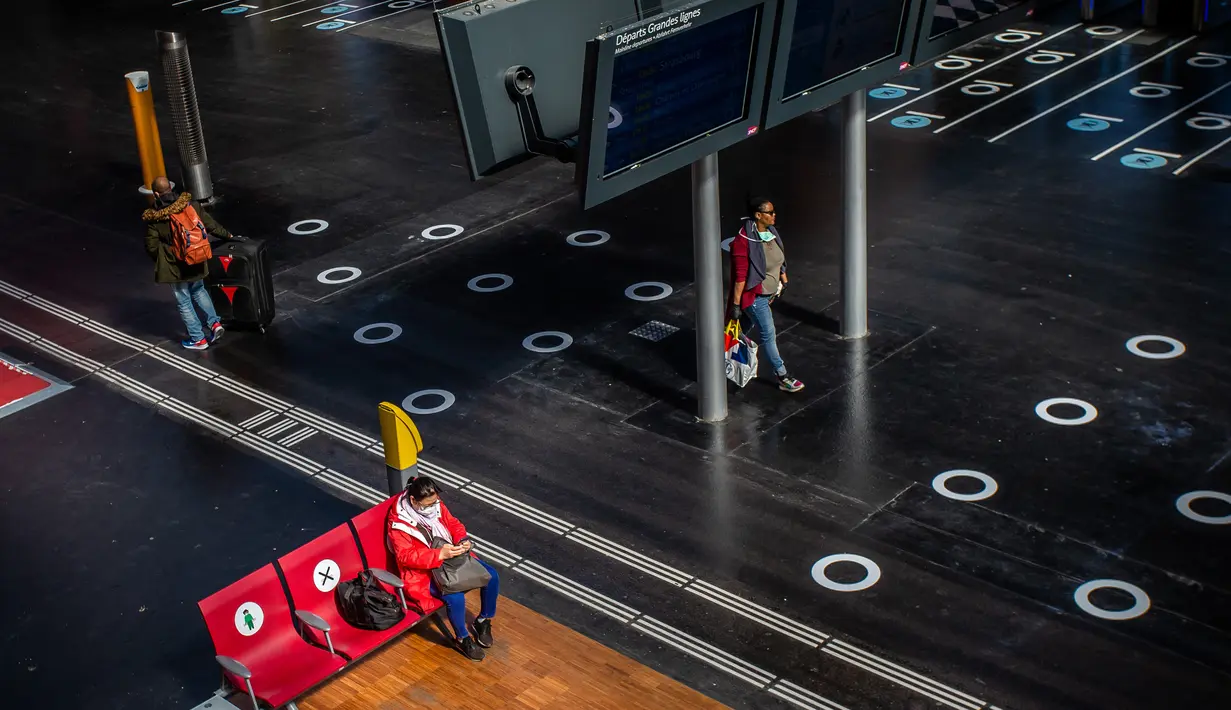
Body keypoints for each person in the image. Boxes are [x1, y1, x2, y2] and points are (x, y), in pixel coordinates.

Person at [387, 476, 500, 661]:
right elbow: (405, 557)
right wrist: (439, 554)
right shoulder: (398, 523)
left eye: (435, 502)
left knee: (492, 576)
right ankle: (462, 638)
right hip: (424, 572)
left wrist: (462, 540)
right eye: (428, 504)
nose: (433, 507)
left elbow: (453, 523)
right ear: (414, 501)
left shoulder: (434, 504)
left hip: (450, 558)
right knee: (454, 598)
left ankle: (483, 620)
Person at [142, 176, 240, 350]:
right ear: (171, 188)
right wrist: (229, 236)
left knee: (184, 300)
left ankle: (198, 339)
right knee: (199, 290)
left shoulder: (155, 218)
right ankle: (215, 324)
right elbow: (210, 225)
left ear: (156, 193)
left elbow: (151, 246)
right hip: (195, 256)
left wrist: (163, 259)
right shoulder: (191, 205)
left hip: (174, 265)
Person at [729, 197, 804, 393]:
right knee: (768, 335)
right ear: (758, 215)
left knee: (741, 329)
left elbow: (780, 258)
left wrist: (783, 279)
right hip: (755, 299)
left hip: (769, 294)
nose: (774, 215)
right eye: (770, 213)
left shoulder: (771, 232)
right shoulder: (743, 242)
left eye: (773, 211)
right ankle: (782, 376)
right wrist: (736, 305)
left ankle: (720, 352)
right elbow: (740, 278)